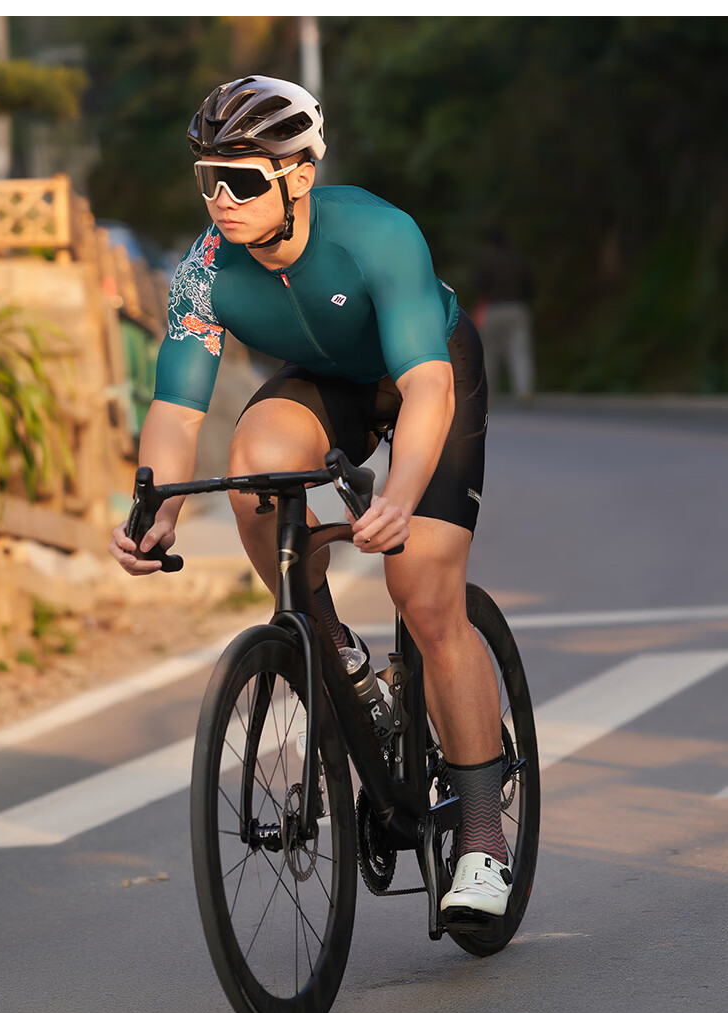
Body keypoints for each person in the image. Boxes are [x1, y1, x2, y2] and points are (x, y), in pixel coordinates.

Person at [108, 75, 511, 917]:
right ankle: (332, 648)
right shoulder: (203, 269)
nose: (221, 199)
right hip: (327, 382)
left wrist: (400, 497)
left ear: (298, 176)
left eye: (243, 180)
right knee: (254, 462)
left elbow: (428, 389)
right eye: (207, 179)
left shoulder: (377, 234)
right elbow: (176, 410)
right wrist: (157, 511)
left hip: (427, 372)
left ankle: (480, 838)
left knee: (423, 593)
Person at [474, 226, 536, 403]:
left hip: (492, 309)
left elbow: (480, 289)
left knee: (489, 353)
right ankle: (523, 390)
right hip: (517, 307)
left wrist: (479, 311)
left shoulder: (486, 260)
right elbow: (530, 286)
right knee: (520, 351)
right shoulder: (518, 259)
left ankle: (489, 393)